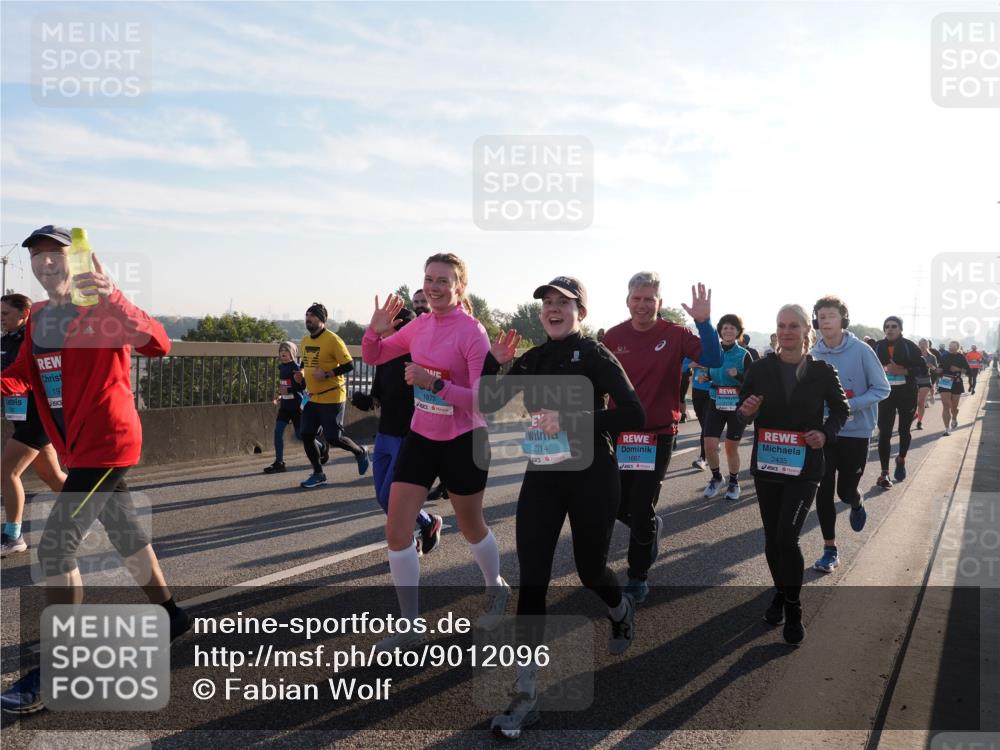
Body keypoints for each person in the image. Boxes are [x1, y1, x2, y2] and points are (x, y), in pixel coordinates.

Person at [1, 226, 191, 714]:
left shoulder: (102, 308)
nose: (46, 262)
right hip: (76, 448)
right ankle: (170, 614)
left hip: (110, 443)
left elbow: (158, 344)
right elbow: (22, 372)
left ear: (78, 261)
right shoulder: (40, 317)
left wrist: (116, 298)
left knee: (56, 544)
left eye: (55, 254)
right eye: (37, 256)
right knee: (128, 534)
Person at [480, 277, 645, 738]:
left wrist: (571, 417)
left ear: (581, 313)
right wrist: (496, 366)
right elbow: (487, 404)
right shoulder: (532, 359)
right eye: (546, 303)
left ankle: (620, 608)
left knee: (591, 571)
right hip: (544, 476)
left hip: (593, 476)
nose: (552, 309)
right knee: (533, 579)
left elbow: (634, 412)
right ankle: (526, 693)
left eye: (563, 304)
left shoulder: (594, 355)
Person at [363, 253, 507, 651]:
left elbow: (482, 400)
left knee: (471, 525)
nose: (434, 286)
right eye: (429, 279)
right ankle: (410, 626)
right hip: (422, 437)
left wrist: (434, 383)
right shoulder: (420, 327)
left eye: (443, 280)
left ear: (459, 287)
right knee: (396, 529)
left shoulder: (472, 332)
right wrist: (374, 332)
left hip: (464, 440)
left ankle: (494, 585)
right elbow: (374, 356)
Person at [601, 274, 720, 602]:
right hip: (620, 433)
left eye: (649, 299)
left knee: (640, 506)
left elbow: (713, 359)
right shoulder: (613, 336)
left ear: (660, 303)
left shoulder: (676, 334)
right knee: (614, 503)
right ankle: (650, 527)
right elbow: (599, 383)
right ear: (627, 301)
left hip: (658, 434)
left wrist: (704, 323)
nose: (642, 305)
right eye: (637, 299)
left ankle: (637, 575)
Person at [736, 304, 848, 645]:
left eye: (794, 326)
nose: (787, 331)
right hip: (768, 466)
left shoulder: (823, 371)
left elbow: (841, 410)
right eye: (781, 325)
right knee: (772, 539)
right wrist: (746, 411)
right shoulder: (759, 368)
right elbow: (741, 415)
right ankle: (781, 592)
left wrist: (825, 434)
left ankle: (793, 607)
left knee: (787, 537)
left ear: (806, 332)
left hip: (805, 468)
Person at [809, 296, 890, 573]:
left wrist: (845, 406)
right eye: (820, 316)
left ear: (843, 319)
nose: (825, 320)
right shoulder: (813, 354)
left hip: (856, 431)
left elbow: (882, 389)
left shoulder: (862, 350)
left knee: (844, 491)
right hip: (824, 432)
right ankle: (829, 549)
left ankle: (856, 501)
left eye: (831, 315)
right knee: (822, 488)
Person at [352, 306, 442, 555]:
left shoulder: (420, 357)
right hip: (384, 434)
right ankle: (427, 522)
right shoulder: (384, 356)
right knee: (383, 498)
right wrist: (366, 402)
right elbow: (378, 397)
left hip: (408, 436)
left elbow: (437, 394)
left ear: (402, 325)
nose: (383, 327)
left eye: (388, 322)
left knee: (393, 498)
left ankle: (408, 540)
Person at [1, 293, 66, 557]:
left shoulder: (37, 341)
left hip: (38, 416)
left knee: (6, 472)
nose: (0, 318)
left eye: (5, 313)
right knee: (51, 475)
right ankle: (91, 511)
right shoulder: (5, 341)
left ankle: (12, 536)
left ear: (24, 314)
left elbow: (27, 377)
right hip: (20, 417)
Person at [297, 303, 369, 488]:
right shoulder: (305, 341)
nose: (308, 319)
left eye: (312, 315)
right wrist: (301, 373)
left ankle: (360, 452)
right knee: (305, 434)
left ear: (321, 319)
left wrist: (327, 374)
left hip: (332, 396)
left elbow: (349, 365)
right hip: (312, 396)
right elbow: (305, 362)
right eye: (306, 315)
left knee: (333, 438)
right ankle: (318, 473)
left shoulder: (333, 340)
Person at [702, 314, 753, 501]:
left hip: (736, 405)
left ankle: (734, 481)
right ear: (720, 331)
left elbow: (752, 382)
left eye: (732, 328)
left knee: (731, 447)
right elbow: (709, 372)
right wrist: (705, 377)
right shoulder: (714, 352)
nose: (728, 331)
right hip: (715, 402)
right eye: (725, 328)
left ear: (738, 332)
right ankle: (716, 478)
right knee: (709, 446)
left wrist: (738, 375)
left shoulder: (744, 355)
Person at [873, 317, 927, 489]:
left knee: (904, 430)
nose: (890, 329)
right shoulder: (877, 346)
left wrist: (903, 370)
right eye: (887, 326)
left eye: (894, 326)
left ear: (900, 329)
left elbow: (922, 369)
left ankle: (901, 459)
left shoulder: (909, 346)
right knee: (885, 433)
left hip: (906, 393)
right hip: (885, 394)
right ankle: (884, 473)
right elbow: (867, 367)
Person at [262, 341, 327, 473]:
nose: (283, 352)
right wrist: (280, 395)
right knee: (278, 431)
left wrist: (290, 388)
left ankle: (321, 448)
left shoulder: (296, 368)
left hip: (297, 407)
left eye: (286, 350)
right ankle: (279, 463)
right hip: (285, 407)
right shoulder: (281, 368)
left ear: (292, 353)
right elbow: (284, 386)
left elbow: (302, 387)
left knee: (300, 435)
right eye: (281, 350)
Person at [937, 341, 970, 435]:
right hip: (945, 380)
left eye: (953, 347)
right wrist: (936, 370)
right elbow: (940, 369)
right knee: (946, 406)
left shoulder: (961, 357)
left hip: (957, 382)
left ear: (957, 348)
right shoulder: (944, 357)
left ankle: (954, 418)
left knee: (954, 408)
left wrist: (958, 369)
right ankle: (947, 429)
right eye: (950, 346)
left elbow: (967, 371)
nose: (950, 348)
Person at [915, 338, 940, 430]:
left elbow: (936, 370)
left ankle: (919, 422)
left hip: (925, 380)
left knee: (920, 402)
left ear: (928, 345)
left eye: (925, 344)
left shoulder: (932, 357)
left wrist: (932, 366)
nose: (922, 345)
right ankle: (916, 414)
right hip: (914, 380)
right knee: (914, 403)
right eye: (921, 343)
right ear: (918, 344)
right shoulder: (914, 355)